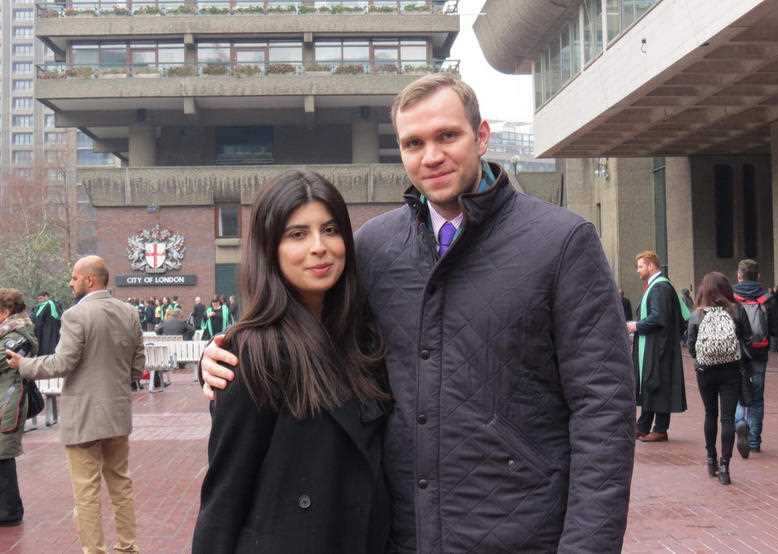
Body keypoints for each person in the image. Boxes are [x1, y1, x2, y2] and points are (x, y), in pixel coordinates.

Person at [201, 74, 635, 552]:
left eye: (447, 136)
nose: (431, 156)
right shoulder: (376, 247)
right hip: (404, 534)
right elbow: (317, 328)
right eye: (414, 143)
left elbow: (603, 410)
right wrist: (226, 351)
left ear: (482, 136)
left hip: (523, 532)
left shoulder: (562, 242)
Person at [192, 171, 391, 553]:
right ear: (270, 249)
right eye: (297, 234)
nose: (320, 247)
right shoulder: (252, 356)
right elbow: (224, 495)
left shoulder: (364, 339)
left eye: (330, 230)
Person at [5, 256, 145, 554]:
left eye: (73, 277)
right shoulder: (130, 312)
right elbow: (137, 365)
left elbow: (62, 363)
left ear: (89, 280)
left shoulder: (75, 315)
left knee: (86, 492)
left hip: (83, 417)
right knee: (121, 485)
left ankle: (95, 551)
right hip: (118, 414)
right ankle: (128, 548)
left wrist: (24, 364)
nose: (70, 282)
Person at [687, 272, 752, 485]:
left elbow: (691, 345)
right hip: (731, 371)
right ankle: (725, 466)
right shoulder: (737, 311)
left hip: (706, 371)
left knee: (709, 414)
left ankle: (710, 459)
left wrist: (703, 357)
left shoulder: (697, 315)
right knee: (727, 418)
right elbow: (747, 339)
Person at [626, 251, 687, 442]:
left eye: (641, 266)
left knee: (657, 385)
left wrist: (635, 325)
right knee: (651, 385)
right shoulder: (657, 286)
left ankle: (660, 429)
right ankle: (643, 426)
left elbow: (658, 317)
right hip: (655, 344)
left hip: (659, 347)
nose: (638, 271)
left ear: (651, 265)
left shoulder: (660, 287)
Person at [0, 289, 37, 526]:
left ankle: (9, 512)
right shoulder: (7, 332)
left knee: (3, 455)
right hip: (4, 399)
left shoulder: (19, 334)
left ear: (5, 312)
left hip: (9, 402)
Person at [734, 259, 770, 456]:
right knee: (757, 397)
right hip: (759, 352)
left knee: (737, 392)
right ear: (758, 276)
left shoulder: (730, 296)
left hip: (736, 353)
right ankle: (754, 441)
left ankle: (740, 422)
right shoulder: (766, 297)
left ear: (739, 276)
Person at [32, 291, 61, 355]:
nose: (39, 300)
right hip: (40, 332)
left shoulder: (50, 304)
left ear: (46, 297)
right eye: (38, 299)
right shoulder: (39, 306)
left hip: (49, 332)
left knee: (48, 349)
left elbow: (57, 317)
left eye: (41, 298)